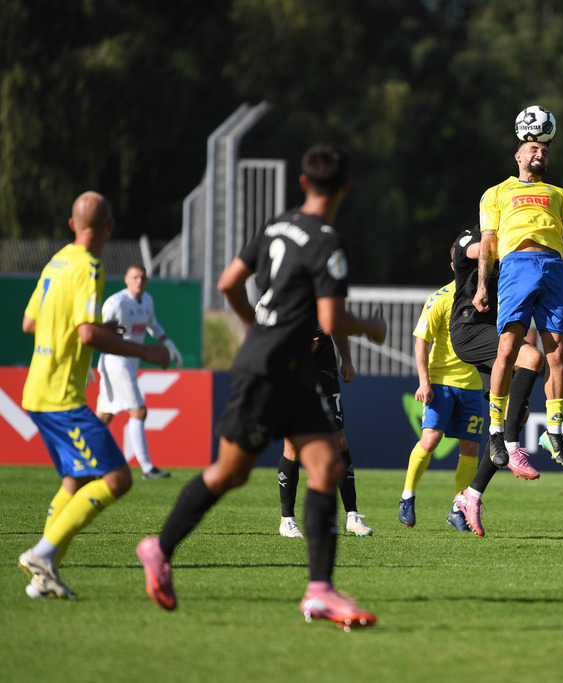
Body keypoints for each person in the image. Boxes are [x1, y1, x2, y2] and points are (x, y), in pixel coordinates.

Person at [136, 144, 387, 630]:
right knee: (229, 473)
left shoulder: (276, 224)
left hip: (283, 367)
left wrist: (256, 323)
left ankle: (319, 592)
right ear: (346, 189)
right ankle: (159, 547)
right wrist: (372, 327)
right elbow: (331, 317)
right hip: (270, 372)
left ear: (302, 183)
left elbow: (231, 282)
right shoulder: (329, 241)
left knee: (326, 462)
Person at [18, 191, 170, 599]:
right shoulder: (89, 266)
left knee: (76, 480)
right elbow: (87, 331)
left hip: (37, 388)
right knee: (118, 479)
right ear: (109, 227)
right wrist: (146, 351)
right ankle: (43, 554)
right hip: (62, 395)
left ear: (71, 225)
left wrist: (95, 333)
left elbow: (30, 322)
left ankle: (42, 577)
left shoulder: (56, 262)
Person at [473, 134, 563, 474]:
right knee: (507, 350)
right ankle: (495, 430)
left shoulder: (559, 194)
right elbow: (489, 241)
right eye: (534, 148)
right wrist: (482, 285)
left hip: (553, 268)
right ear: (518, 155)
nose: (540, 153)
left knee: (558, 354)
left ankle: (555, 430)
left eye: (545, 151)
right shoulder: (497, 192)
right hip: (516, 267)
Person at [447, 226, 548, 536]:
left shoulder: (509, 246)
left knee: (515, 416)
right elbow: (482, 251)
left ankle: (469, 498)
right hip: (470, 330)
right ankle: (515, 448)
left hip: (491, 337)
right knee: (532, 358)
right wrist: (533, 241)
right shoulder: (469, 238)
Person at [399, 279, 484, 532]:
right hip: (441, 383)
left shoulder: (487, 295)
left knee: (470, 447)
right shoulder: (441, 298)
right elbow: (421, 340)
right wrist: (424, 382)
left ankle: (459, 510)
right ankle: (407, 496)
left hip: (473, 385)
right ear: (454, 265)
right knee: (430, 439)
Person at [277, 326, 373, 538]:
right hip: (291, 377)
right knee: (293, 446)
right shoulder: (281, 298)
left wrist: (346, 360)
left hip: (325, 375)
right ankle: (287, 520)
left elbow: (336, 324)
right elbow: (267, 336)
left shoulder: (324, 296)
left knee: (339, 441)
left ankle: (352, 515)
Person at [95, 264, 183, 479]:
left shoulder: (147, 301)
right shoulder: (116, 303)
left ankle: (87, 462)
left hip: (131, 364)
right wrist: (90, 363)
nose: (139, 281)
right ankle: (146, 468)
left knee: (104, 416)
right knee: (139, 411)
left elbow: (153, 325)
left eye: (142, 278)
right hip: (116, 362)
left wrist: (170, 345)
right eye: (134, 277)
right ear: (126, 279)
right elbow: (96, 332)